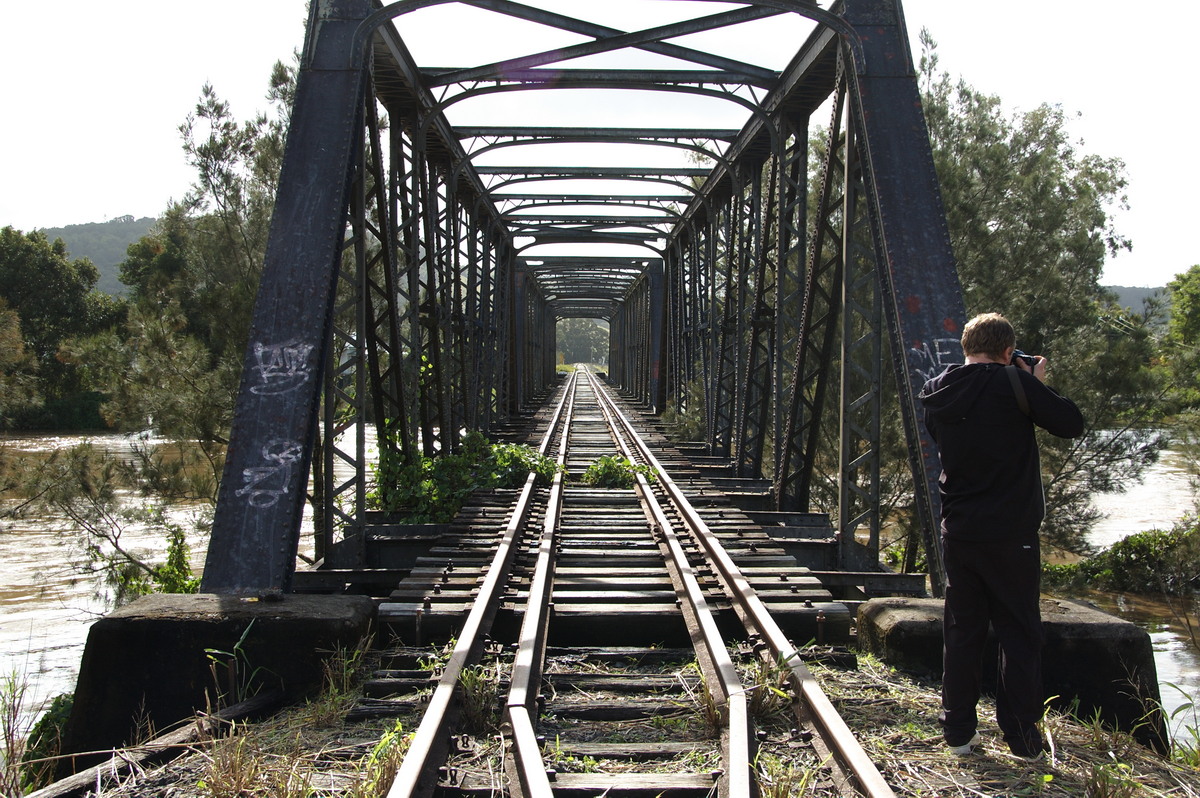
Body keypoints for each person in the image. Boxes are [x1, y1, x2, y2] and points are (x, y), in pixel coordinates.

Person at [918, 312, 1084, 759]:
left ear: (966, 348)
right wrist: (1036, 384)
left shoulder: (938, 390)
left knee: (963, 629)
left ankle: (958, 734)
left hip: (960, 530)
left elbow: (945, 438)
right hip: (1012, 534)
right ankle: (1022, 739)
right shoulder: (1016, 384)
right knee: (1019, 632)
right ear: (1009, 351)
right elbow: (1072, 423)